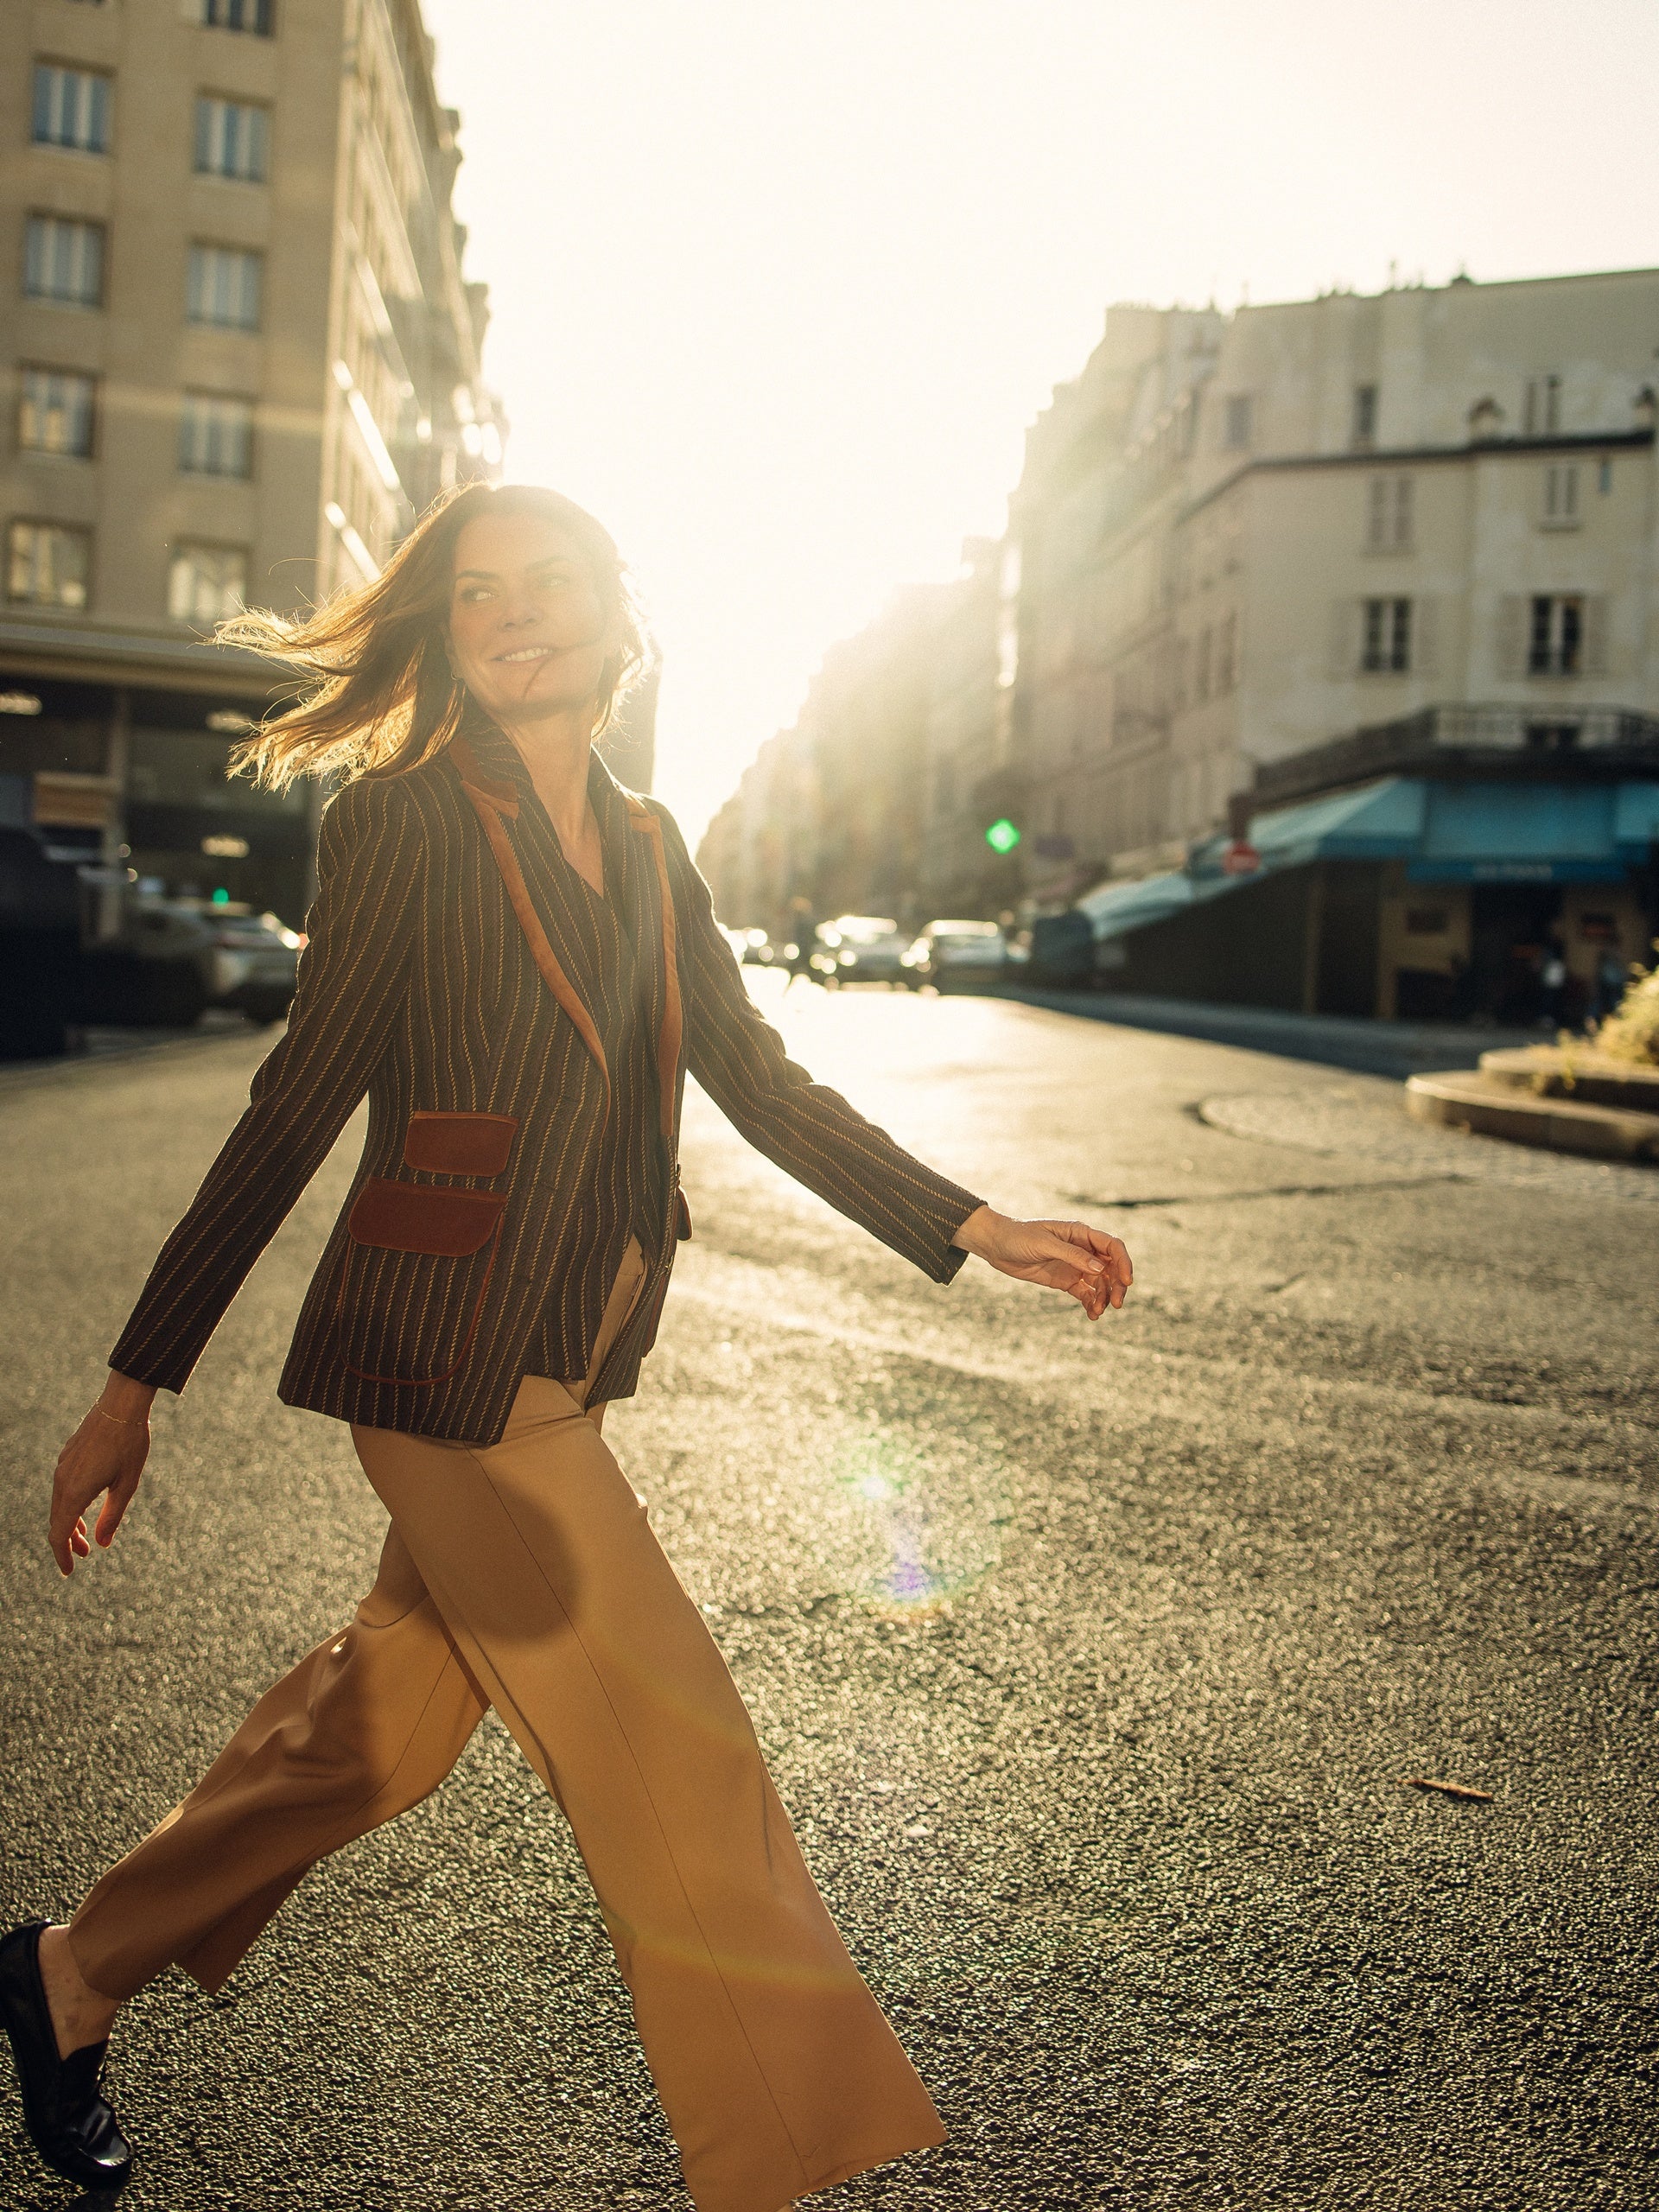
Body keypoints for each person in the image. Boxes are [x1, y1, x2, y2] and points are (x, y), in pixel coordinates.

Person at [0, 483, 1132, 2209]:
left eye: (547, 586)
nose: (513, 615)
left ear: (617, 617)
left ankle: (66, 1973)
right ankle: (788, 2158)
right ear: (445, 637)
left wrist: (969, 1221)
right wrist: (132, 1383)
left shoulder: (653, 841)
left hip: (566, 1349)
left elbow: (758, 1079)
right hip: (442, 1368)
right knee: (678, 1747)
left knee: (372, 1740)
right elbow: (294, 1105)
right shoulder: (401, 826)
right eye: (474, 597)